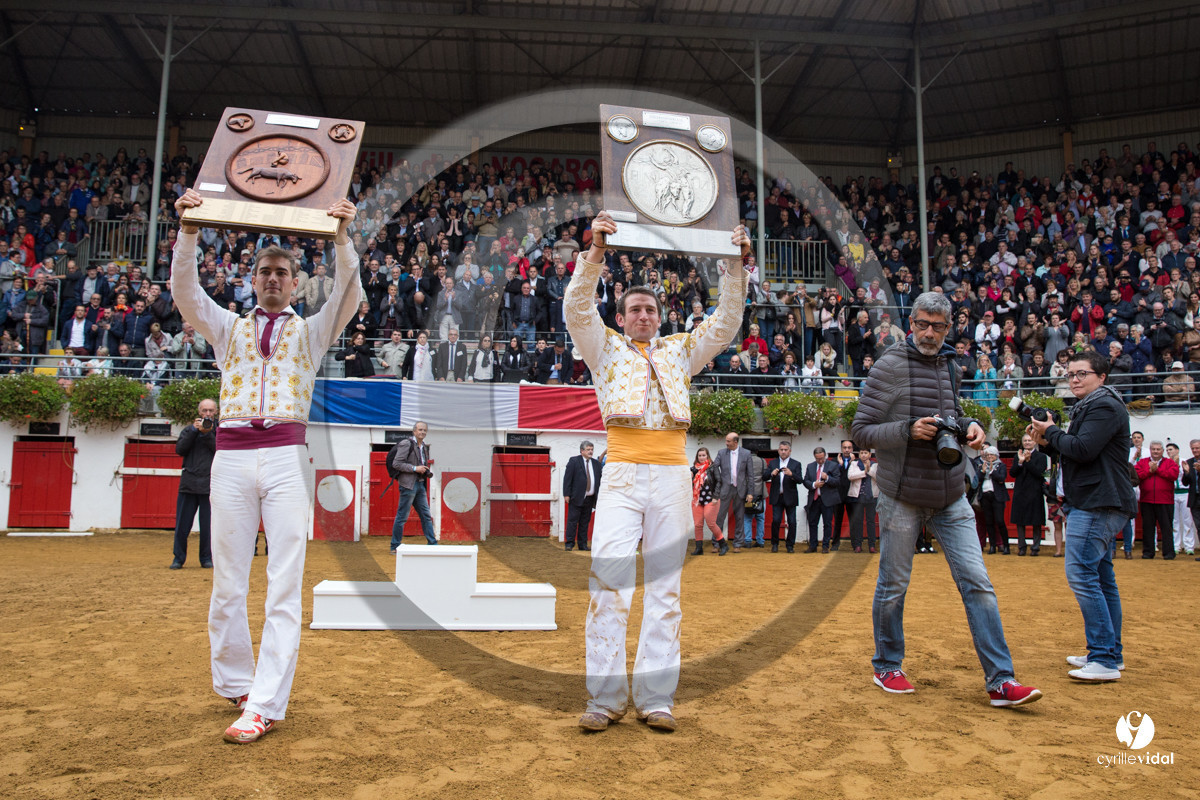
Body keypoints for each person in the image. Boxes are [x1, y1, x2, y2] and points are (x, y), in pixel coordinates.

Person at [172, 188, 361, 744]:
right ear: (252, 280)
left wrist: (343, 238)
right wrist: (189, 229)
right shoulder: (227, 326)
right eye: (265, 273)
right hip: (230, 457)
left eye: (283, 272)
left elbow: (347, 296)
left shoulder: (310, 331)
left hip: (282, 457)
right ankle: (235, 680)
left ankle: (266, 702)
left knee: (283, 582)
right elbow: (184, 292)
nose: (274, 279)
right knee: (228, 581)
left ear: (297, 282)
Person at [567, 211, 748, 734]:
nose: (644, 315)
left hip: (671, 475)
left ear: (660, 316)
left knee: (666, 589)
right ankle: (603, 699)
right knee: (609, 585)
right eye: (635, 310)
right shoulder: (603, 348)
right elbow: (578, 310)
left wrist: (734, 267)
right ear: (621, 318)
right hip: (622, 472)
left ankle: (656, 698)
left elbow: (725, 323)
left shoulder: (680, 350)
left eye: (650, 309)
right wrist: (595, 253)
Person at [852, 291, 1042, 707]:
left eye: (938, 326)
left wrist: (970, 424)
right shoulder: (888, 366)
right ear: (910, 322)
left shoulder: (951, 364)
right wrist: (906, 430)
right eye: (922, 324)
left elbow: (951, 412)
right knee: (894, 585)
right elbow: (861, 431)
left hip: (951, 492)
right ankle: (887, 666)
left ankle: (1001, 680)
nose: (930, 333)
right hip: (901, 495)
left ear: (949, 326)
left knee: (979, 584)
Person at [1026, 349, 1135, 682]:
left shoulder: (1102, 405)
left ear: (1101, 377)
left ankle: (1102, 657)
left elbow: (1084, 449)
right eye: (1070, 374)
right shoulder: (1094, 404)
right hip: (1097, 498)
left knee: (1082, 574)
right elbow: (1076, 450)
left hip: (1097, 501)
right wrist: (1046, 441)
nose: (1073, 379)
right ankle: (1107, 653)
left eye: (1081, 373)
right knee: (1101, 578)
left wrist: (1053, 431)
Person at [170, 398, 217, 570]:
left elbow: (218, 450)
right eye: (205, 410)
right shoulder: (189, 429)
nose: (208, 414)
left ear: (216, 412)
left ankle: (206, 558)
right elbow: (180, 450)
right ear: (199, 412)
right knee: (182, 525)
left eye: (211, 410)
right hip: (188, 484)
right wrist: (193, 430)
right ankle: (178, 558)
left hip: (209, 485)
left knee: (208, 527)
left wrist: (207, 433)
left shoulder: (218, 431)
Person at [389, 421, 437, 549]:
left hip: (420, 484)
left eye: (424, 430)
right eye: (420, 430)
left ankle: (432, 544)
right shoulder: (406, 443)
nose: (422, 432)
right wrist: (415, 468)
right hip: (408, 485)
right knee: (402, 517)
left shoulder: (423, 446)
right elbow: (396, 464)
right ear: (414, 431)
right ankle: (395, 546)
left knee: (426, 515)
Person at [1134, 440, 1178, 559]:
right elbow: (1137, 476)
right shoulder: (1143, 462)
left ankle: (1169, 553)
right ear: (1150, 450)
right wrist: (1149, 471)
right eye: (1153, 449)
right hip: (1146, 500)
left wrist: (1157, 469)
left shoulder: (1169, 462)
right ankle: (1148, 552)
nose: (1156, 451)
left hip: (1165, 501)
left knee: (1166, 528)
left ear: (1162, 451)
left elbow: (1173, 475)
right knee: (1148, 527)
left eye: (1158, 449)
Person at [714, 432, 754, 553]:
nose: (726, 443)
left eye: (728, 441)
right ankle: (716, 543)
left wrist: (750, 492)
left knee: (740, 517)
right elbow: (715, 466)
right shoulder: (721, 453)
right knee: (719, 517)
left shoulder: (746, 453)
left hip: (740, 489)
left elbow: (750, 475)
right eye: (726, 441)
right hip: (726, 488)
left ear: (735, 442)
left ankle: (737, 543)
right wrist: (719, 480)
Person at [1010, 434, 1049, 556]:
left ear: (1034, 442)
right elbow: (1012, 473)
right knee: (1019, 521)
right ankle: (1022, 547)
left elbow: (1039, 473)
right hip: (1020, 492)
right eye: (1025, 441)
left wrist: (1028, 461)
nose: (1027, 442)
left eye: (1029, 440)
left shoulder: (1041, 457)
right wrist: (1020, 462)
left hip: (1035, 492)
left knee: (1036, 520)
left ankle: (1035, 548)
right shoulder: (1018, 456)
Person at [562, 440, 602, 551]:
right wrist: (566, 494)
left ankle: (582, 545)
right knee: (572, 521)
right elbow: (567, 479)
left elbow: (600, 480)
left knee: (585, 522)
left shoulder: (596, 464)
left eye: (592, 449)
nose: (591, 452)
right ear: (582, 450)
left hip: (590, 498)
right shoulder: (574, 461)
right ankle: (569, 543)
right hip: (576, 497)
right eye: (588, 449)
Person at [764, 441, 802, 553]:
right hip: (777, 496)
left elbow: (800, 480)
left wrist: (791, 474)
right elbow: (764, 477)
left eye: (786, 450)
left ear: (790, 451)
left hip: (790, 497)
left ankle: (790, 545)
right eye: (781, 449)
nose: (783, 451)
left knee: (792, 521)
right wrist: (772, 474)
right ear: (778, 451)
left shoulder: (796, 464)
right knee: (775, 520)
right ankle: (774, 544)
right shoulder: (773, 463)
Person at [802, 447, 841, 552]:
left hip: (827, 500)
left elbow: (837, 481)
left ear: (825, 455)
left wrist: (827, 478)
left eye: (822, 458)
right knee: (813, 523)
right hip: (814, 499)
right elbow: (805, 481)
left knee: (827, 523)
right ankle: (813, 545)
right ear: (814, 457)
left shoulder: (833, 465)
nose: (820, 461)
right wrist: (814, 484)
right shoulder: (810, 466)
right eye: (818, 458)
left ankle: (825, 546)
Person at [690, 447, 726, 556]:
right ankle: (699, 548)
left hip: (711, 499)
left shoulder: (713, 467)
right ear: (697, 457)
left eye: (703, 455)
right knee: (697, 524)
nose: (701, 458)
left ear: (707, 456)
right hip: (697, 500)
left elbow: (719, 481)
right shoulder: (693, 469)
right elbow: (690, 483)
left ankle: (723, 544)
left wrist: (716, 496)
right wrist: (690, 477)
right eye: (699, 456)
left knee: (711, 523)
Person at [978, 446, 1010, 554]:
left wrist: (991, 471)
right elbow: (977, 480)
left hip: (997, 497)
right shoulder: (982, 465)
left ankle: (1006, 546)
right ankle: (992, 546)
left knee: (1000, 521)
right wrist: (983, 472)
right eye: (987, 455)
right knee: (989, 522)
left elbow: (1001, 478)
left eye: (991, 454)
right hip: (985, 496)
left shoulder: (1001, 465)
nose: (989, 457)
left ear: (996, 455)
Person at [847, 448, 879, 553]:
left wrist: (869, 469)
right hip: (857, 497)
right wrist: (864, 471)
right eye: (861, 453)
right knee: (858, 522)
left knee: (871, 522)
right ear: (859, 455)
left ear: (870, 454)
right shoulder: (854, 464)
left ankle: (872, 545)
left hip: (871, 496)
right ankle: (858, 545)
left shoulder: (875, 464)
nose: (864, 455)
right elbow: (850, 476)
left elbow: (877, 477)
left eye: (866, 453)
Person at [1167, 443, 1195, 556]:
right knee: (1175, 521)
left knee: (1188, 520)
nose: (1169, 452)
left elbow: (1188, 476)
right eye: (1167, 450)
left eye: (1171, 449)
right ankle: (1176, 546)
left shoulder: (1185, 462)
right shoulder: (1166, 463)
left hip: (1185, 493)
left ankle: (1189, 546)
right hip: (1173, 493)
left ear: (1177, 450)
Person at [830, 439, 856, 551]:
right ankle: (835, 544)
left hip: (851, 495)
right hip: (838, 495)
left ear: (852, 449)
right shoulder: (834, 461)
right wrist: (840, 465)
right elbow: (832, 476)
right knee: (837, 521)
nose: (846, 450)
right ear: (841, 449)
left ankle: (856, 544)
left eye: (849, 448)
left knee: (853, 521)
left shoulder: (856, 461)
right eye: (844, 447)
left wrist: (852, 463)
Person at [742, 450, 766, 548]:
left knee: (747, 518)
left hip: (748, 493)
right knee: (760, 518)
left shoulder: (744, 460)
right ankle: (760, 541)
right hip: (760, 492)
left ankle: (748, 540)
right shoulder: (762, 461)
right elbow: (765, 475)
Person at [1181, 440, 1200, 561]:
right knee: (1199, 526)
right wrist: (1187, 472)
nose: (1195, 450)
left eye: (1197, 448)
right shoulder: (1189, 462)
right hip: (1195, 499)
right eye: (1193, 448)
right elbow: (1185, 482)